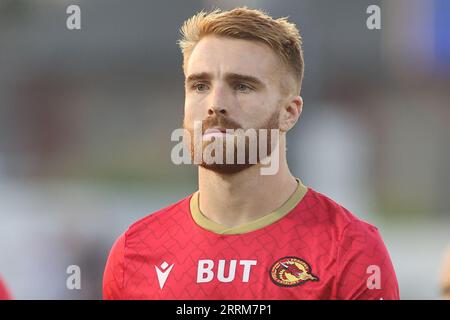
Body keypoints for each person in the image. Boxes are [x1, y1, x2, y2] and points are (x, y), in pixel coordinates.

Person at [103, 7, 399, 300]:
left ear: (289, 113)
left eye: (242, 86)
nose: (215, 103)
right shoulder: (135, 252)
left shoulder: (349, 251)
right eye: (200, 85)